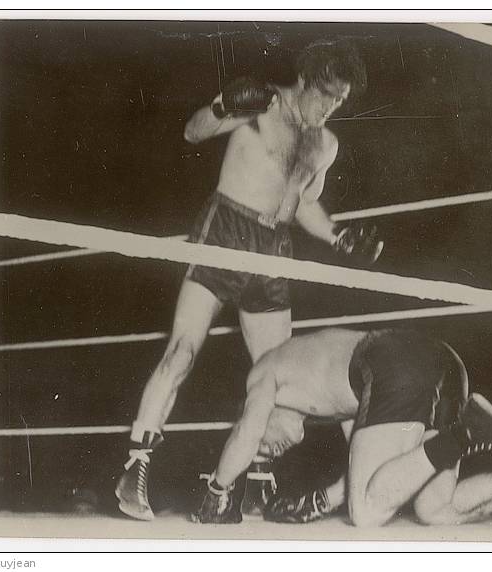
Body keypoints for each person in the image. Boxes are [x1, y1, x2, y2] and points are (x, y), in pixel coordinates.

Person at [116, 40, 383, 521]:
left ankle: (259, 480)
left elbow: (302, 203)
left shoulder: (325, 143)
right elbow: (193, 132)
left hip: (273, 247)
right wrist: (221, 106)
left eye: (340, 101)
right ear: (305, 80)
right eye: (325, 94)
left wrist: (338, 236)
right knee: (182, 351)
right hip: (225, 228)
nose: (330, 106)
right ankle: (135, 467)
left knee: (277, 373)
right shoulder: (261, 102)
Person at [192, 328, 492, 526]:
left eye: (262, 447)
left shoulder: (263, 374)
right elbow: (364, 466)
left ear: (254, 412)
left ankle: (466, 433)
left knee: (367, 514)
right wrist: (321, 502)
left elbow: (244, 433)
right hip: (442, 363)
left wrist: (219, 490)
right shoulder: (321, 393)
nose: (267, 452)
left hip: (392, 361)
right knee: (435, 509)